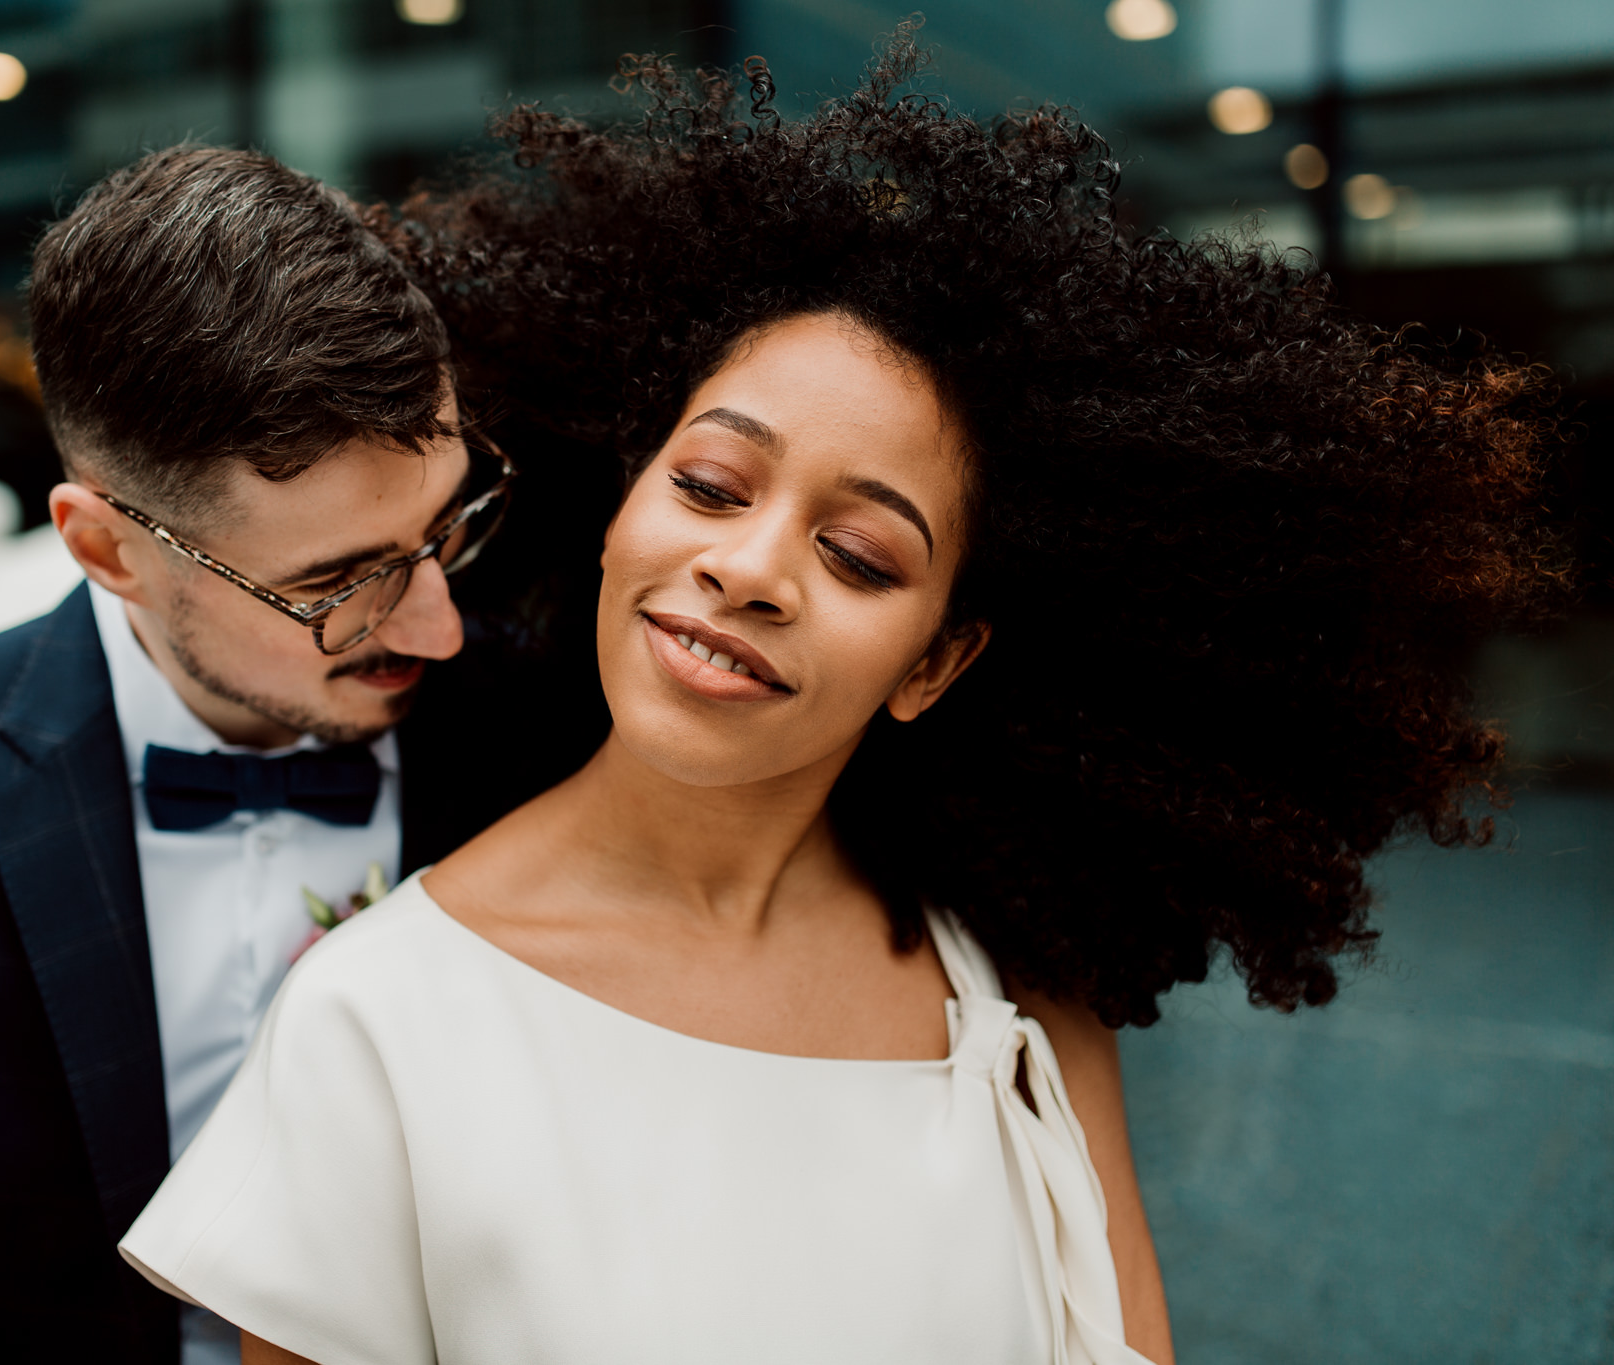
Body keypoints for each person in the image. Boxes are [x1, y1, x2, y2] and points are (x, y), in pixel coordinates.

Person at [116, 33, 1567, 1365]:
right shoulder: (378, 1020)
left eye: (861, 555)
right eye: (707, 484)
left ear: (937, 661)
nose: (749, 569)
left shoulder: (1013, 993)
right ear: (616, 510)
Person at [0, 146, 604, 1365]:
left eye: (445, 527)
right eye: (337, 584)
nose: (434, 623)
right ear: (109, 550)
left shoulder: (549, 730)